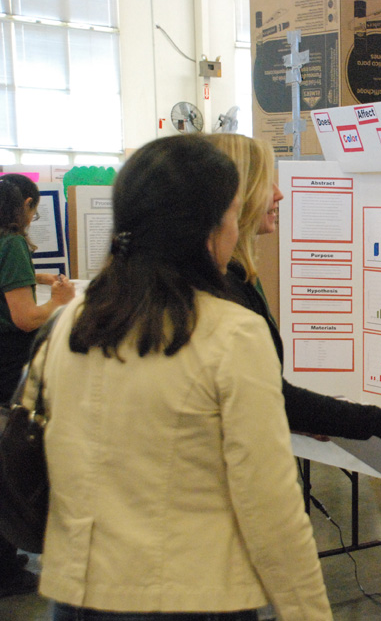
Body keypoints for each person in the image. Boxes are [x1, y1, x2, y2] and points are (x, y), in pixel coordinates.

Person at [28, 135, 332, 620]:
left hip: (75, 592)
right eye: (232, 212)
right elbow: (270, 504)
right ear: (206, 229)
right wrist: (308, 612)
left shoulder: (71, 323)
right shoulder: (232, 335)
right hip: (188, 596)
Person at [205, 133, 381, 458]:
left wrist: (295, 418)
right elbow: (267, 394)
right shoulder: (220, 291)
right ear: (234, 196)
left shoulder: (235, 279)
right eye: (266, 183)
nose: (279, 193)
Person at [0, 173, 75, 597]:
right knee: (11, 460)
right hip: (8, 363)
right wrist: (60, 303)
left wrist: (40, 279)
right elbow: (26, 318)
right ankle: (5, 569)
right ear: (25, 206)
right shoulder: (12, 243)